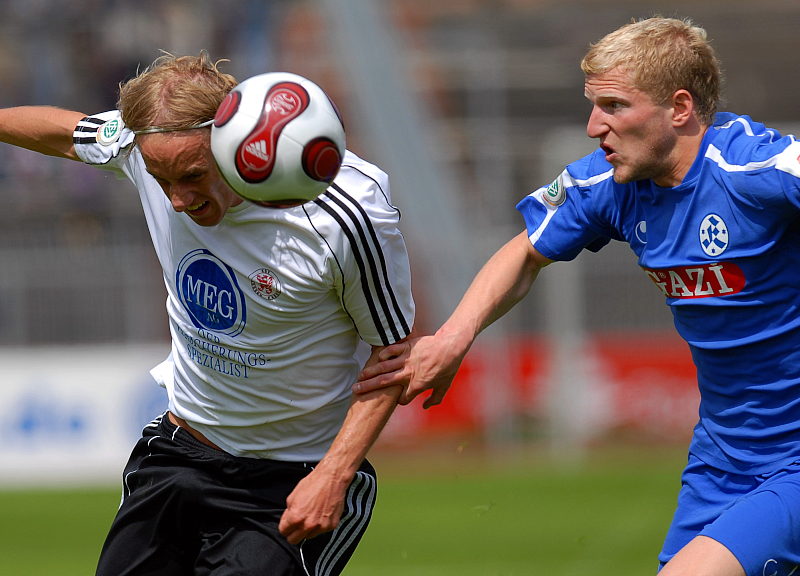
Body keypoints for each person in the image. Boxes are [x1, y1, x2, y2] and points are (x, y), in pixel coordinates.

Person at [356, 16, 800, 576]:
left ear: (680, 108)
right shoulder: (611, 185)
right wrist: (451, 340)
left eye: (614, 106)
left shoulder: (754, 168)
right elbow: (524, 253)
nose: (594, 127)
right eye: (593, 106)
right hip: (722, 457)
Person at [0, 52, 414, 576]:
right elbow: (62, 132)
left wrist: (334, 475)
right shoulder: (141, 144)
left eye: (192, 175)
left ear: (232, 142)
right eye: (160, 178)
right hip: (178, 456)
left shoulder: (341, 215)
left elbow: (394, 354)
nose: (176, 199)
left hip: (290, 479)